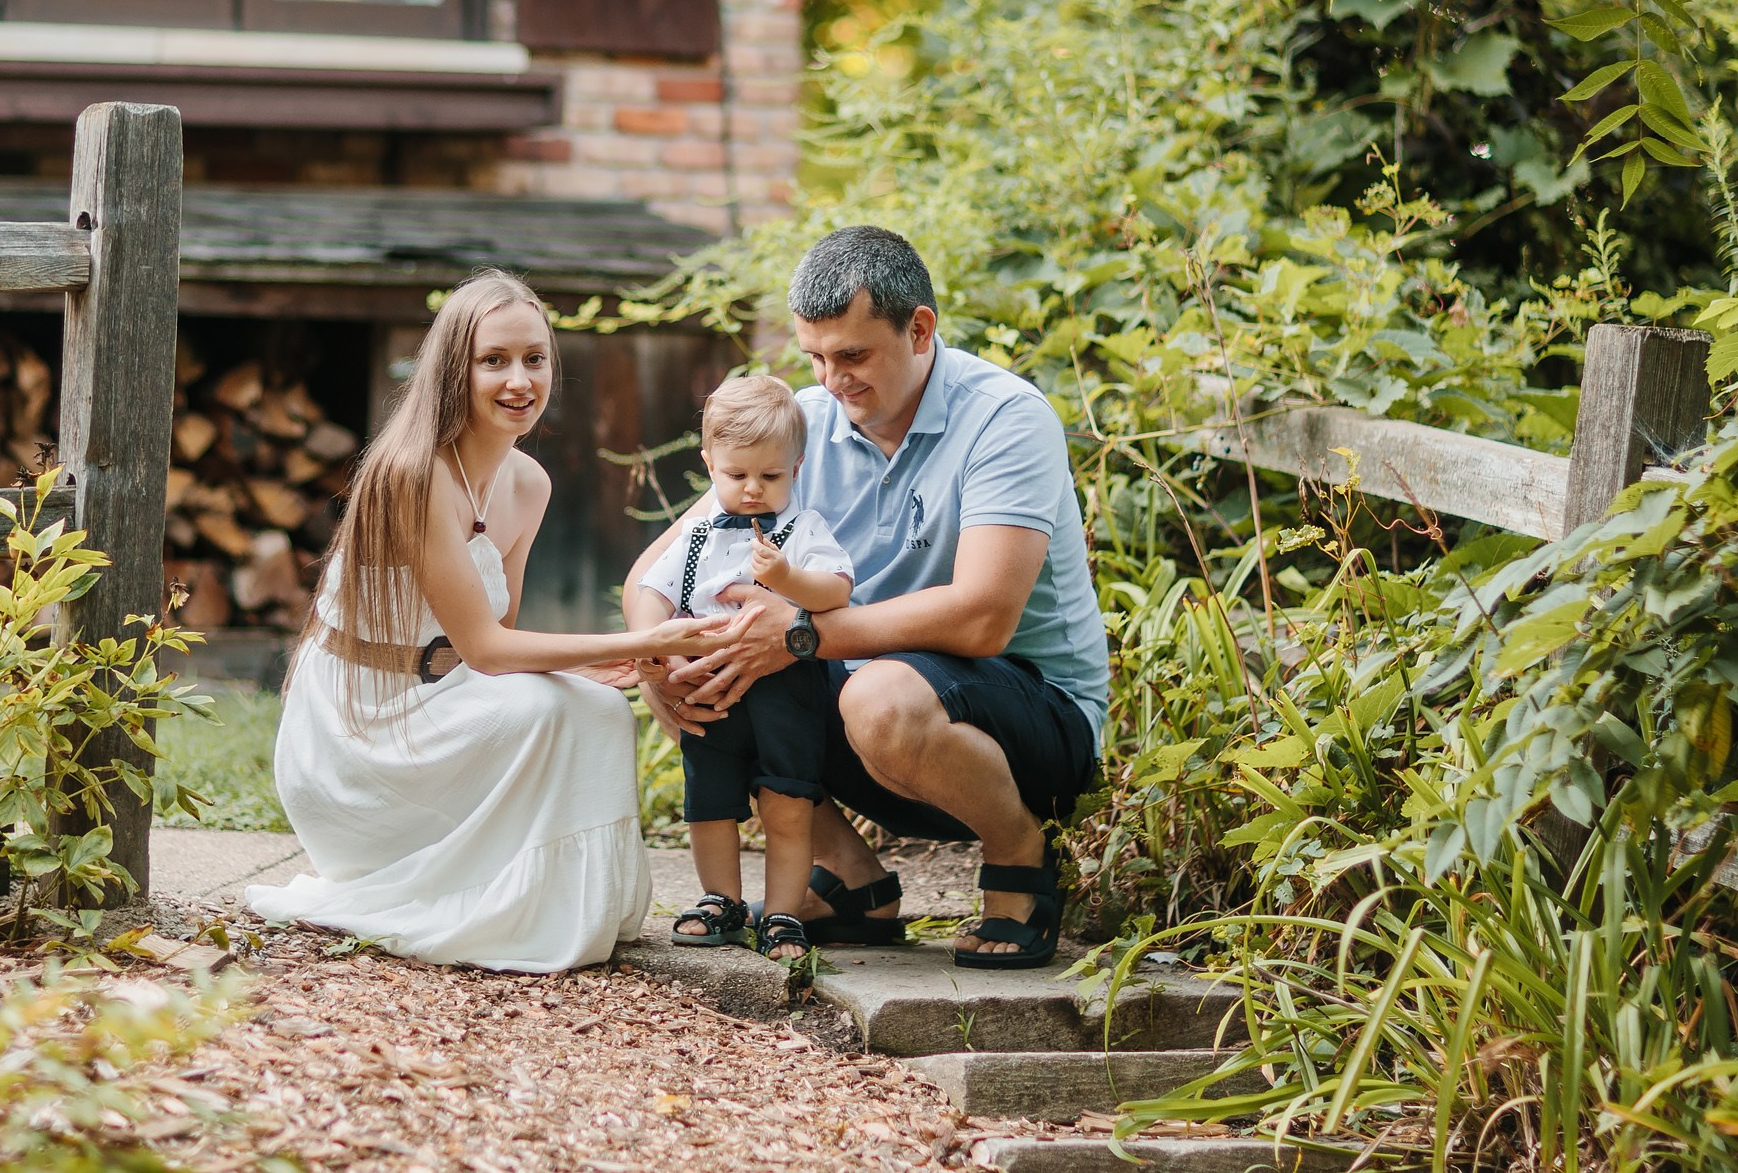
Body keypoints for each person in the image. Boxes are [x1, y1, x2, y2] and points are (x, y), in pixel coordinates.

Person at [628, 227, 1108, 969]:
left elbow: (984, 617)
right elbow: (650, 575)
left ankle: (1020, 851)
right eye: (815, 356)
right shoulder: (804, 427)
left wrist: (800, 636)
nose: (831, 379)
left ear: (920, 329)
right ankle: (853, 883)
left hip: (1028, 725)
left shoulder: (1006, 418)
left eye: (852, 355)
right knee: (712, 668)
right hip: (876, 716)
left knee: (877, 695)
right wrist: (658, 663)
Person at [250, 270, 725, 972]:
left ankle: (566, 910)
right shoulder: (411, 473)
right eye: (494, 360)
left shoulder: (527, 483)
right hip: (359, 733)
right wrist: (645, 638)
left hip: (444, 696)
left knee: (598, 710)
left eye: (534, 358)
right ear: (454, 370)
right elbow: (489, 649)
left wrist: (593, 663)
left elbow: (492, 635)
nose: (519, 380)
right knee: (549, 709)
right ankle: (505, 908)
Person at [634, 374, 855, 961]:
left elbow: (836, 590)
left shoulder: (801, 530)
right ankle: (721, 901)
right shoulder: (697, 535)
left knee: (786, 800)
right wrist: (659, 645)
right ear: (710, 465)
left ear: (797, 467)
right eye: (737, 476)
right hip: (712, 686)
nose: (754, 490)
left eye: (771, 476)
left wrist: (785, 579)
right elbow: (653, 589)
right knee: (710, 799)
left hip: (785, 690)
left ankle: (784, 913)